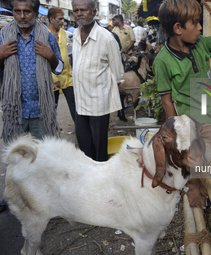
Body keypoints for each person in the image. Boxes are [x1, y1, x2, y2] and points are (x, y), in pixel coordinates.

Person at [153, 0, 211, 209]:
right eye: (194, 23)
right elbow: (167, 102)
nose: (200, 27)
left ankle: (206, 179)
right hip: (196, 121)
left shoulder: (203, 43)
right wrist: (178, 133)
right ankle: (197, 184)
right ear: (178, 28)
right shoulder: (163, 61)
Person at [0, 0, 63, 143]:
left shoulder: (47, 37)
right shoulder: (3, 36)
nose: (22, 16)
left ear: (35, 13)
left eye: (27, 12)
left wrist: (51, 56)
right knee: (17, 157)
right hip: (15, 111)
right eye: (17, 11)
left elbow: (59, 69)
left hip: (41, 111)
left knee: (43, 156)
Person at [72, 0, 124, 161]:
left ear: (94, 12)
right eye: (76, 10)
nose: (79, 13)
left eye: (84, 10)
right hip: (80, 103)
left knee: (99, 149)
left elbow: (118, 73)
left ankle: (101, 182)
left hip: (98, 106)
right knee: (84, 146)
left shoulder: (106, 38)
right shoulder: (75, 34)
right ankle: (89, 180)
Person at [48, 7, 76, 123]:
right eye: (59, 19)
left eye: (63, 19)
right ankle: (52, 129)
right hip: (51, 78)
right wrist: (53, 78)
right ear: (51, 19)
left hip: (67, 78)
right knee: (51, 108)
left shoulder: (64, 34)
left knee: (75, 108)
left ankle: (80, 130)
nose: (62, 21)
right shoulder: (44, 34)